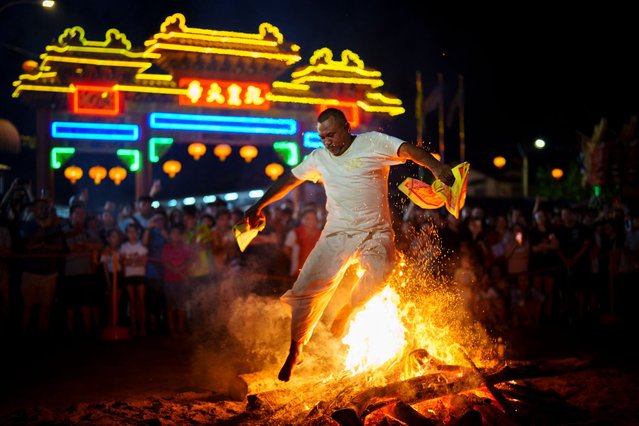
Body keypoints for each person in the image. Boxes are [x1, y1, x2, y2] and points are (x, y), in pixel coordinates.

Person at [242, 108, 455, 381]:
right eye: (322, 138)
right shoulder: (319, 158)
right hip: (337, 234)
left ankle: (349, 308)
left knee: (382, 270)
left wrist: (436, 167)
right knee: (304, 290)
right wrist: (259, 205)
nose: (328, 142)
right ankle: (296, 349)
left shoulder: (373, 143)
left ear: (346, 126)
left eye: (331, 134)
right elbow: (289, 179)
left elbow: (410, 151)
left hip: (375, 232)